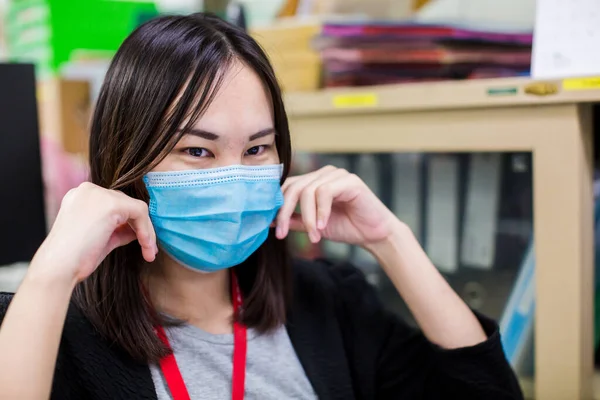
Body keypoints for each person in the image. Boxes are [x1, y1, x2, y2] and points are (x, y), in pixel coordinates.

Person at [0, 13, 523, 400]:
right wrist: (49, 275)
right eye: (197, 151)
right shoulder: (48, 329)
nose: (235, 176)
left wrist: (391, 239)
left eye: (256, 149)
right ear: (128, 161)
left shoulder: (330, 303)